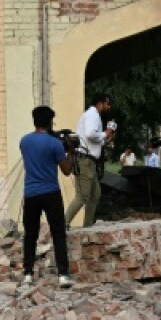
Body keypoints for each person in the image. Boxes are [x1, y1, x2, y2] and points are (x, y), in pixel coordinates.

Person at [19, 105, 74, 287]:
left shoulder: (24, 141)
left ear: (34, 121)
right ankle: (63, 275)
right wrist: (71, 153)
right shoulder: (55, 144)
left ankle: (28, 273)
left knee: (30, 235)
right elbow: (66, 170)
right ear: (50, 122)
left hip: (31, 193)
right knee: (58, 233)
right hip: (51, 192)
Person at [65, 94, 111, 228]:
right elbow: (91, 134)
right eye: (107, 104)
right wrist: (104, 134)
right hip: (84, 160)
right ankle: (63, 224)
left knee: (95, 194)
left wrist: (104, 140)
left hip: (89, 161)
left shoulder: (92, 116)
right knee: (83, 196)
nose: (108, 107)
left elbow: (91, 139)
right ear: (99, 104)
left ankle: (88, 225)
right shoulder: (93, 115)